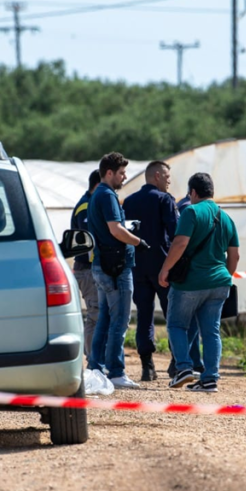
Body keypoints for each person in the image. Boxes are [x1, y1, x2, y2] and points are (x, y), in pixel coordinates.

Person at [159, 173, 239, 393]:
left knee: (177, 325)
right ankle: (209, 379)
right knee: (211, 331)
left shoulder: (191, 211)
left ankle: (184, 368)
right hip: (220, 282)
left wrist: (165, 269)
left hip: (190, 283)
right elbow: (234, 256)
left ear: (193, 192)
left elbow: (180, 243)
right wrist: (224, 277)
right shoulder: (226, 217)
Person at [86, 152, 150, 389]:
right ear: (109, 173)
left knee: (105, 319)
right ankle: (116, 371)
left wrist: (126, 229)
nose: (124, 177)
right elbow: (115, 230)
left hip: (103, 266)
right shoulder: (107, 195)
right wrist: (138, 241)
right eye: (122, 173)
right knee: (119, 321)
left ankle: (96, 367)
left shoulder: (98, 195)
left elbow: (112, 227)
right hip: (116, 269)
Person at [122, 161, 179, 382]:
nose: (169, 180)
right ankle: (176, 364)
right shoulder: (165, 200)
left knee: (144, 315)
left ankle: (147, 366)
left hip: (137, 267)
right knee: (172, 315)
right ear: (156, 176)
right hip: (163, 267)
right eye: (166, 176)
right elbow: (175, 232)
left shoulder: (129, 202)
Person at [70, 169, 102, 357]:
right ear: (98, 185)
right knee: (95, 316)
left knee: (97, 316)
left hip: (92, 268)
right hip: (88, 269)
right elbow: (90, 240)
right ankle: (93, 359)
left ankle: (95, 358)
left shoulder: (92, 204)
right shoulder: (85, 207)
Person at [175, 194, 204, 377]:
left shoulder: (183, 207)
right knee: (196, 325)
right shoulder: (191, 209)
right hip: (195, 273)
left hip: (188, 273)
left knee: (185, 322)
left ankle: (190, 363)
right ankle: (187, 363)